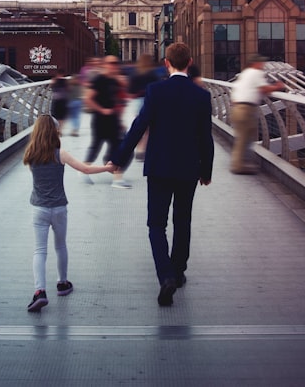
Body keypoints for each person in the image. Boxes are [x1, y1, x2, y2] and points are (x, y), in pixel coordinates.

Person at [108, 42, 214, 306]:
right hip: (189, 168)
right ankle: (178, 273)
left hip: (159, 167)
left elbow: (138, 127)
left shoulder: (155, 91)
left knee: (156, 224)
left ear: (166, 63)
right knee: (182, 221)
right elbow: (206, 138)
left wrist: (119, 158)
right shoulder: (201, 95)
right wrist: (206, 170)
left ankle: (165, 275)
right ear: (189, 62)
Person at [23, 114, 115, 312]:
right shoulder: (60, 154)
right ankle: (62, 283)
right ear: (55, 131)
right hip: (58, 208)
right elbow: (85, 169)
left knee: (40, 250)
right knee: (60, 246)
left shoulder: (30, 153)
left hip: (38, 208)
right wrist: (106, 168)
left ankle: (39, 291)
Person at [229, 54, 285, 175]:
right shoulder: (256, 73)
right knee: (245, 137)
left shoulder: (244, 74)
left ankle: (242, 162)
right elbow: (263, 89)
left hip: (236, 107)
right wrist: (278, 86)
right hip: (246, 109)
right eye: (261, 63)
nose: (263, 65)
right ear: (256, 63)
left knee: (244, 136)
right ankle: (238, 165)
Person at [84, 55, 131, 189]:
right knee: (96, 146)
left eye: (116, 63)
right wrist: (102, 110)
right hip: (100, 120)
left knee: (120, 147)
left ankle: (116, 176)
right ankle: (85, 169)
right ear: (105, 64)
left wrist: (120, 120)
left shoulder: (115, 81)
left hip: (113, 120)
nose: (114, 66)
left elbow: (120, 100)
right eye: (111, 63)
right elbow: (88, 99)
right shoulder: (99, 79)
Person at [128, 54, 162, 160]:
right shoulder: (152, 74)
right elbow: (157, 89)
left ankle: (139, 148)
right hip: (148, 101)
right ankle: (142, 149)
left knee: (138, 126)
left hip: (137, 101)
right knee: (148, 128)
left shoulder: (134, 74)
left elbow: (130, 90)